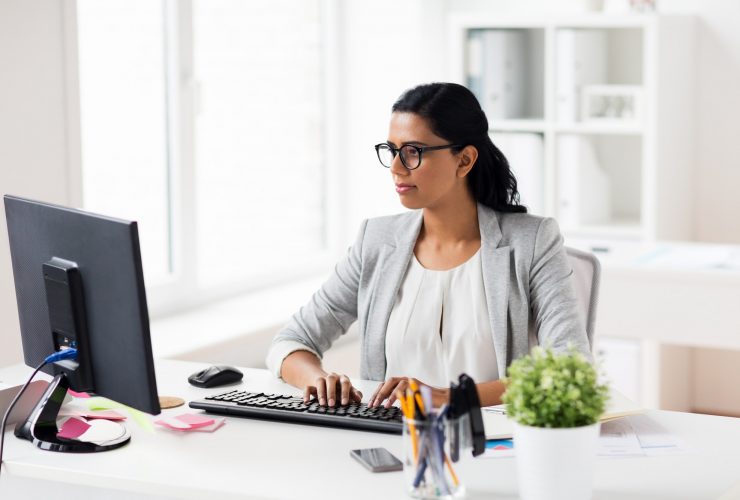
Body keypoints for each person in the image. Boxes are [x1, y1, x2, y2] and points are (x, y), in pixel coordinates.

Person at [265, 82, 591, 410]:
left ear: (464, 161)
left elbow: (571, 369)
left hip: (492, 444)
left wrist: (450, 397)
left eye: (413, 152)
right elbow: (292, 341)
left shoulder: (532, 242)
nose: (395, 167)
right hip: (388, 444)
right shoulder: (376, 241)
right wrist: (316, 378)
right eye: (391, 150)